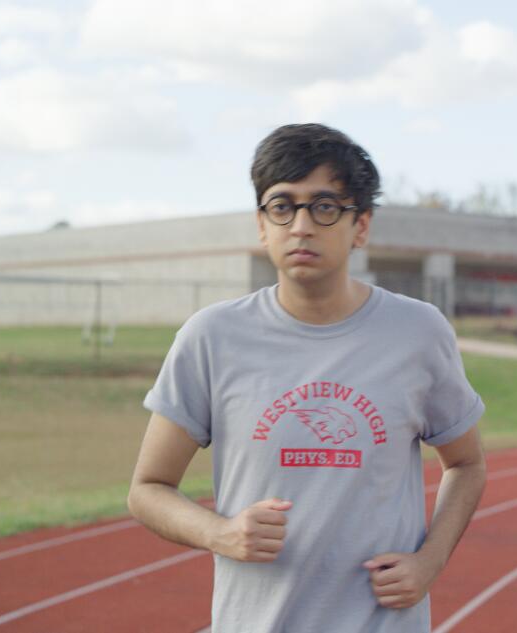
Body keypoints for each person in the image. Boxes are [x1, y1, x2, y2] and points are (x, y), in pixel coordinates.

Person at [128, 123, 487, 632]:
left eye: (323, 207)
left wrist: (429, 561)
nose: (300, 225)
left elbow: (467, 464)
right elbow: (148, 488)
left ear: (360, 226)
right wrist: (221, 533)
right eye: (282, 206)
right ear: (262, 224)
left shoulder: (418, 332)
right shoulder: (212, 336)